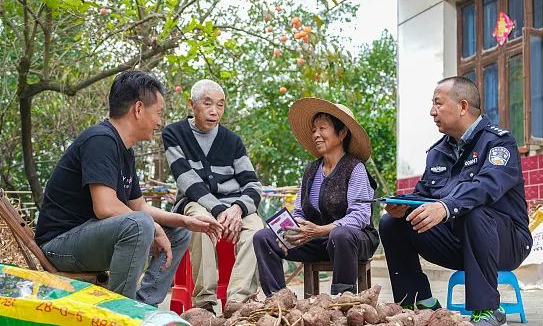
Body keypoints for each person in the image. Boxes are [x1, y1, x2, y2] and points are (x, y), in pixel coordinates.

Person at [34, 71, 222, 305]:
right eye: (158, 113)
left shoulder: (125, 150)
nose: (160, 122)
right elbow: (105, 206)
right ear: (139, 109)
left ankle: (144, 306)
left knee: (179, 232)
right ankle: (121, 310)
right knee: (140, 224)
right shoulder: (100, 140)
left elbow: (140, 206)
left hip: (92, 238)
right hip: (60, 245)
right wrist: (152, 226)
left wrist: (184, 221)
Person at [379, 76, 532, 326]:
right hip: (458, 241)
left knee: (474, 212)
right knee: (393, 224)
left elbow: (486, 186)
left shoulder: (498, 143)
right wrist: (404, 205)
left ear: (462, 106)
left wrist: (447, 206)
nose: (432, 111)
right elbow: (425, 194)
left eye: (438, 103)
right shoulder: (437, 152)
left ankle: (489, 310)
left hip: (506, 241)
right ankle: (419, 302)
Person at [254, 98, 380, 296]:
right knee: (264, 237)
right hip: (316, 240)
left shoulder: (355, 168)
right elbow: (299, 211)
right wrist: (296, 226)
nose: (316, 135)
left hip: (353, 240)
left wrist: (322, 230)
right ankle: (278, 300)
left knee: (340, 235)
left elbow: (361, 216)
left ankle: (343, 300)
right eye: (314, 130)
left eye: (322, 128)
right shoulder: (311, 170)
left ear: (342, 133)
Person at [162, 79, 264, 312]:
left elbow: (253, 184)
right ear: (192, 104)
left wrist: (237, 209)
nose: (214, 111)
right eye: (208, 104)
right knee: (201, 222)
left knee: (257, 230)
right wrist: (219, 212)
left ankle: (238, 301)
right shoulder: (174, 134)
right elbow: (188, 182)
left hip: (233, 207)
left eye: (220, 105)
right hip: (195, 202)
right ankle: (204, 302)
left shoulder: (232, 141)